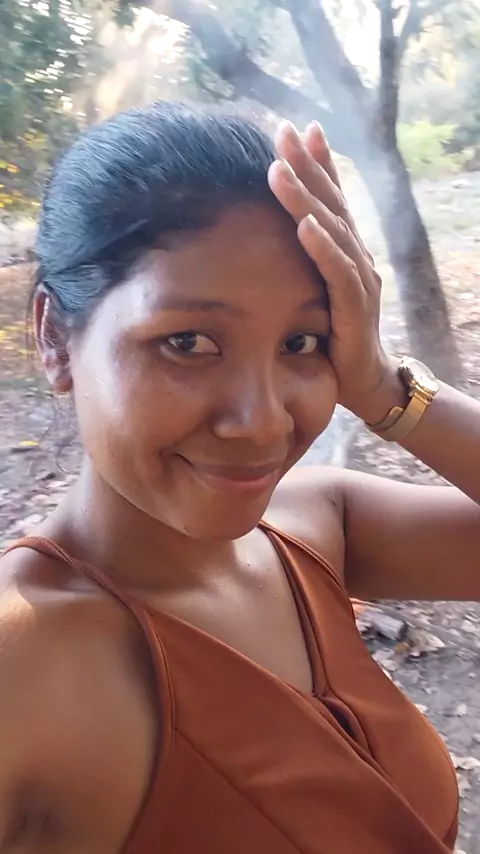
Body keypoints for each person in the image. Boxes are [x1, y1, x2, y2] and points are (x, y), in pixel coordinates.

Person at [1, 101, 480, 854]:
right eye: (188, 342)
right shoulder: (25, 663)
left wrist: (386, 386)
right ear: (55, 339)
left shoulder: (317, 526)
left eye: (302, 342)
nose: (261, 423)